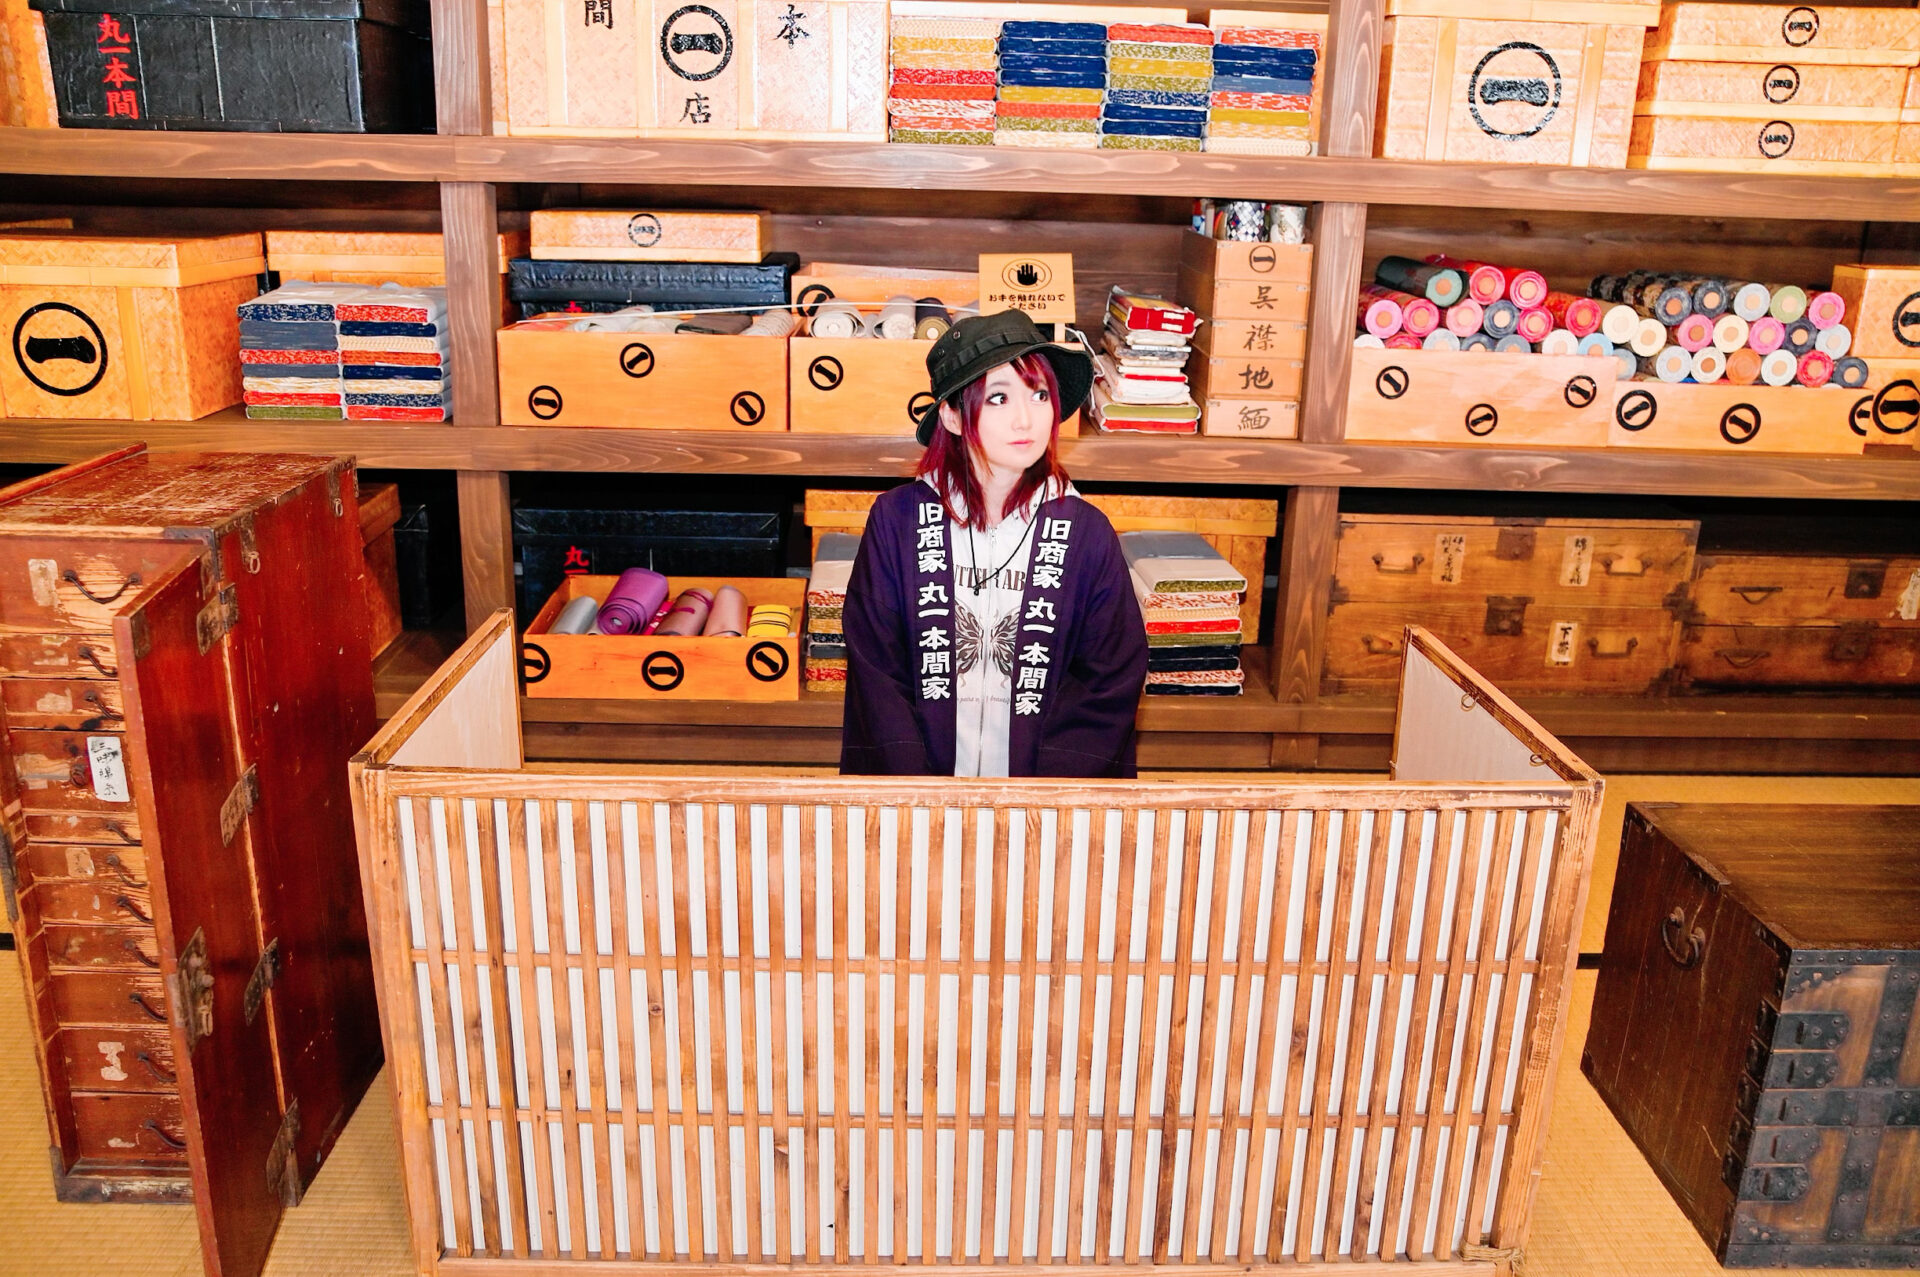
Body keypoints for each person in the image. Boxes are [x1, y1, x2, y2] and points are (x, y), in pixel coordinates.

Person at [840, 309, 1148, 777]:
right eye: (999, 398)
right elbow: (877, 673)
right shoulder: (897, 521)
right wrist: (919, 796)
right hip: (921, 795)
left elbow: (1108, 679)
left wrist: (1038, 802)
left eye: (1039, 395)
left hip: (1042, 800)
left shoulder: (1086, 533)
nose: (1026, 419)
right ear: (952, 416)